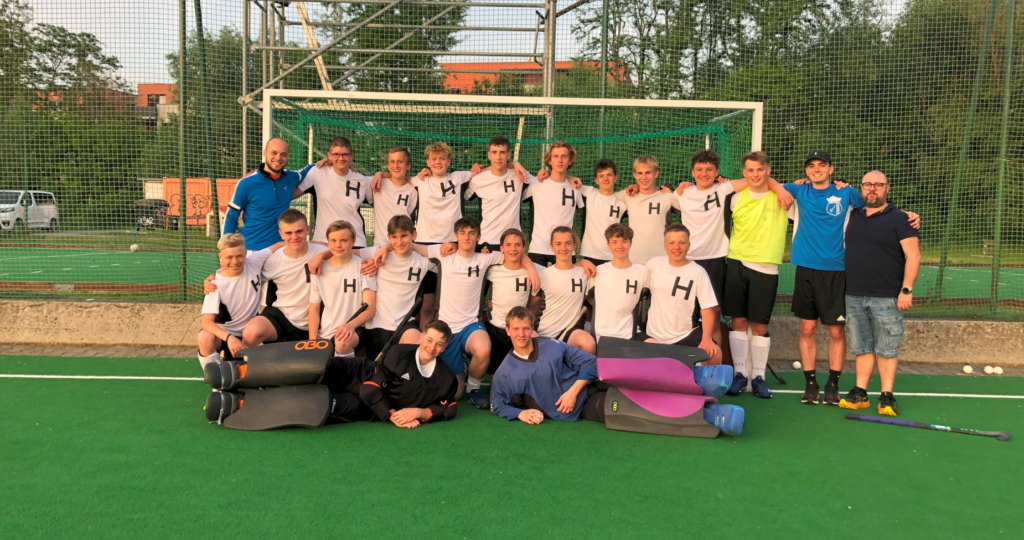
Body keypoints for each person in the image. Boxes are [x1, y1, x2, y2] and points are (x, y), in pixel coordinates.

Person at [784, 152, 920, 405]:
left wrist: (906, 215)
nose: (816, 169)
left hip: (836, 271)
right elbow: (763, 181)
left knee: (836, 330)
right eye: (811, 166)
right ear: (806, 171)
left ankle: (833, 385)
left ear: (831, 168)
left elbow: (877, 205)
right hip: (805, 270)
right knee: (807, 328)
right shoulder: (798, 191)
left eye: (822, 165)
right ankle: (810, 384)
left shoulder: (847, 194)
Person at [373, 216, 540, 409]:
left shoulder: (486, 258)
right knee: (455, 393)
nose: (467, 237)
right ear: (456, 235)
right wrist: (385, 248)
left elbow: (515, 253)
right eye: (463, 233)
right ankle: (463, 367)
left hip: (471, 325)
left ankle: (474, 389)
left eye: (471, 233)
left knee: (483, 348)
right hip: (447, 327)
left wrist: (531, 269)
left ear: (478, 237)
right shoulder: (443, 256)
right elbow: (408, 244)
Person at [206, 320, 459, 429]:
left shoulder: (445, 379)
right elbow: (369, 388)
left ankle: (237, 405)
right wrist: (394, 415)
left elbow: (450, 408)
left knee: (318, 403)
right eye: (429, 340)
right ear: (421, 337)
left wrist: (419, 413)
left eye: (439, 344)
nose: (432, 347)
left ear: (445, 347)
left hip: (367, 407)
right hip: (357, 374)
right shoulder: (400, 353)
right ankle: (238, 372)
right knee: (313, 367)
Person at [670, 150, 793, 348]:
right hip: (687, 262)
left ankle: (715, 362)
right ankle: (685, 359)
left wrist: (779, 188)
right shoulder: (680, 194)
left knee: (713, 315)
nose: (704, 173)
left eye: (709, 169)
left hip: (716, 261)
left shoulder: (724, 189)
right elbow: (656, 196)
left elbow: (757, 179)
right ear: (692, 172)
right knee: (684, 314)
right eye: (699, 169)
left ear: (716, 172)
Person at [838, 171, 920, 417]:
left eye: (877, 185)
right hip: (854, 295)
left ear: (887, 188)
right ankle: (860, 393)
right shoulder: (851, 215)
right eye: (867, 184)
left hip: (887, 296)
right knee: (861, 346)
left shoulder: (901, 219)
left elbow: (913, 255)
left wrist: (906, 289)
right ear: (861, 188)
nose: (872, 188)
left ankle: (886, 395)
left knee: (886, 348)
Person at [723, 151, 792, 399]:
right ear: (744, 173)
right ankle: (740, 374)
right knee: (738, 322)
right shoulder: (735, 198)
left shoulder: (783, 198)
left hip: (766, 267)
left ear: (768, 171)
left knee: (760, 325)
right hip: (737, 262)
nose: (755, 174)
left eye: (760, 169)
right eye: (750, 170)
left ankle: (759, 377)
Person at [490, 307, 605, 424]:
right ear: (507, 330)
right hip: (581, 406)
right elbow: (496, 405)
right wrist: (520, 413)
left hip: (591, 382)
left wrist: (572, 393)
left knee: (616, 375)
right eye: (516, 329)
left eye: (526, 328)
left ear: (532, 329)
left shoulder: (550, 344)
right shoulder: (504, 372)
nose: (521, 334)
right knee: (616, 408)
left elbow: (590, 361)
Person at [240, 209, 330, 345]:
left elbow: (348, 253)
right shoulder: (272, 261)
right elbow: (239, 277)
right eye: (288, 233)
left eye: (299, 231)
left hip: (317, 318)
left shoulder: (322, 252)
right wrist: (213, 281)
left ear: (307, 229)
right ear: (281, 234)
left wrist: (323, 255)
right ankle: (263, 357)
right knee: (250, 334)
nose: (295, 237)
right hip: (282, 316)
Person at [197, 234, 284, 369]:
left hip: (250, 332)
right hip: (225, 334)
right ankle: (216, 377)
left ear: (245, 253)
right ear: (220, 257)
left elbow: (279, 245)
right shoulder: (215, 285)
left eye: (239, 256)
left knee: (259, 368)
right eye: (229, 257)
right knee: (204, 338)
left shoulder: (254, 261)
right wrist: (229, 338)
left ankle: (254, 367)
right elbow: (206, 323)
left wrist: (313, 245)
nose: (235, 261)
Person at [643, 224, 722, 364]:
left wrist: (706, 339)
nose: (677, 247)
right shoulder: (653, 265)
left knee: (714, 355)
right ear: (665, 246)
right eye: (671, 243)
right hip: (655, 336)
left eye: (681, 243)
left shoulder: (698, 272)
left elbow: (707, 310)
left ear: (689, 245)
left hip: (686, 334)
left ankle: (695, 372)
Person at [222, 138, 309, 251]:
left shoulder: (291, 177)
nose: (278, 158)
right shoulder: (246, 183)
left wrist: (328, 161)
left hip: (280, 249)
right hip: (252, 249)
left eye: (283, 154)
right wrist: (225, 249)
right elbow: (231, 216)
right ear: (264, 153)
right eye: (274, 153)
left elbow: (308, 170)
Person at [307, 220, 377, 357]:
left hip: (355, 328)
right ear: (328, 242)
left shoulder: (363, 267)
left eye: (343, 240)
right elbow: (314, 307)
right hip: (326, 333)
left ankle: (346, 370)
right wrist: (312, 341)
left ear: (353, 241)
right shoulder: (319, 269)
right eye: (333, 240)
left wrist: (350, 326)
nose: (338, 245)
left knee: (342, 342)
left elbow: (370, 309)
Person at [530, 227, 596, 354]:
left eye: (568, 243)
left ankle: (584, 369)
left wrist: (584, 262)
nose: (563, 248)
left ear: (574, 245)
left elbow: (591, 299)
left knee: (589, 344)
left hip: (570, 331)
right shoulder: (542, 275)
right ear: (551, 246)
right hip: (544, 333)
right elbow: (532, 306)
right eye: (558, 244)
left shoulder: (584, 273)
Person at [297, 137, 373, 247]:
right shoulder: (317, 172)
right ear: (329, 155)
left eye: (345, 154)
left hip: (355, 243)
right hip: (324, 242)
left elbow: (380, 202)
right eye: (336, 154)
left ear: (351, 155)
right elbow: (291, 192)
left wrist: (381, 174)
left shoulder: (362, 181)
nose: (341, 158)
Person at [463, 136, 533, 252]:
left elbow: (544, 182)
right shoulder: (478, 179)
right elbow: (459, 196)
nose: (498, 157)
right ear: (489, 155)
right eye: (494, 152)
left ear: (508, 155)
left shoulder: (519, 175)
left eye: (502, 152)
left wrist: (566, 177)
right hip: (486, 241)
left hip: (512, 241)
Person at [523, 142, 585, 266]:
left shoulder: (576, 188)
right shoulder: (536, 183)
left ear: (570, 161)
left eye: (564, 156)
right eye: (556, 156)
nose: (560, 160)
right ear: (549, 161)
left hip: (565, 251)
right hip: (538, 250)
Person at [483, 228, 534, 374]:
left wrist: (583, 263)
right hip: (496, 328)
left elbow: (559, 267)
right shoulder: (492, 270)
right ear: (501, 248)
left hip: (519, 330)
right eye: (508, 245)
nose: (513, 249)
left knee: (518, 372)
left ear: (524, 248)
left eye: (518, 245)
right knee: (496, 372)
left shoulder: (532, 271)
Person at [588, 223, 649, 343]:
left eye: (624, 241)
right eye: (614, 242)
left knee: (656, 347)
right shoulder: (598, 271)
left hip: (630, 333)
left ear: (630, 243)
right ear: (608, 245)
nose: (620, 246)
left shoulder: (643, 271)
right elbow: (588, 298)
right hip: (602, 335)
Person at [613, 156, 679, 264]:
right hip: (634, 260)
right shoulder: (627, 196)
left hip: (661, 260)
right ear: (634, 175)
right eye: (640, 173)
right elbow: (605, 197)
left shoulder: (667, 197)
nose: (644, 177)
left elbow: (690, 208)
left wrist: (674, 190)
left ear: (656, 173)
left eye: (648, 173)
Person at [578, 159, 625, 266]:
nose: (605, 178)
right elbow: (565, 183)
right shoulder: (589, 193)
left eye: (609, 175)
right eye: (601, 176)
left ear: (615, 178)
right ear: (596, 180)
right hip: (589, 255)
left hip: (612, 256)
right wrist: (570, 178)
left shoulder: (622, 201)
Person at [370, 147, 418, 247]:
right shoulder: (377, 183)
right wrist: (379, 173)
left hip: (403, 247)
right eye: (392, 162)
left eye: (400, 162)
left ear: (408, 165)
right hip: (380, 246)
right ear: (388, 165)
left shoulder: (415, 190)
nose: (396, 166)